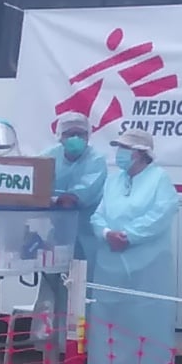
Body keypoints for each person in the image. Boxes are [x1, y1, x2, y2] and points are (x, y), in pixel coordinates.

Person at [88, 123, 181, 364]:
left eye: (125, 149)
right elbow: (98, 214)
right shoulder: (113, 180)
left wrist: (128, 235)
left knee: (145, 317)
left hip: (147, 266)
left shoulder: (158, 179)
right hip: (110, 264)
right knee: (109, 316)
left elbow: (161, 214)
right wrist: (107, 233)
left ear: (140, 152)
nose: (119, 154)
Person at [35, 109, 109, 349]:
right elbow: (34, 189)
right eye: (70, 133)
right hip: (53, 237)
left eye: (80, 133)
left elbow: (76, 198)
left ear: (88, 136)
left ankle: (82, 354)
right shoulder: (48, 158)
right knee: (51, 293)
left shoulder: (96, 161)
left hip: (84, 239)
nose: (75, 138)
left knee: (81, 295)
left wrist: (52, 199)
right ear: (60, 135)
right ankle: (51, 350)